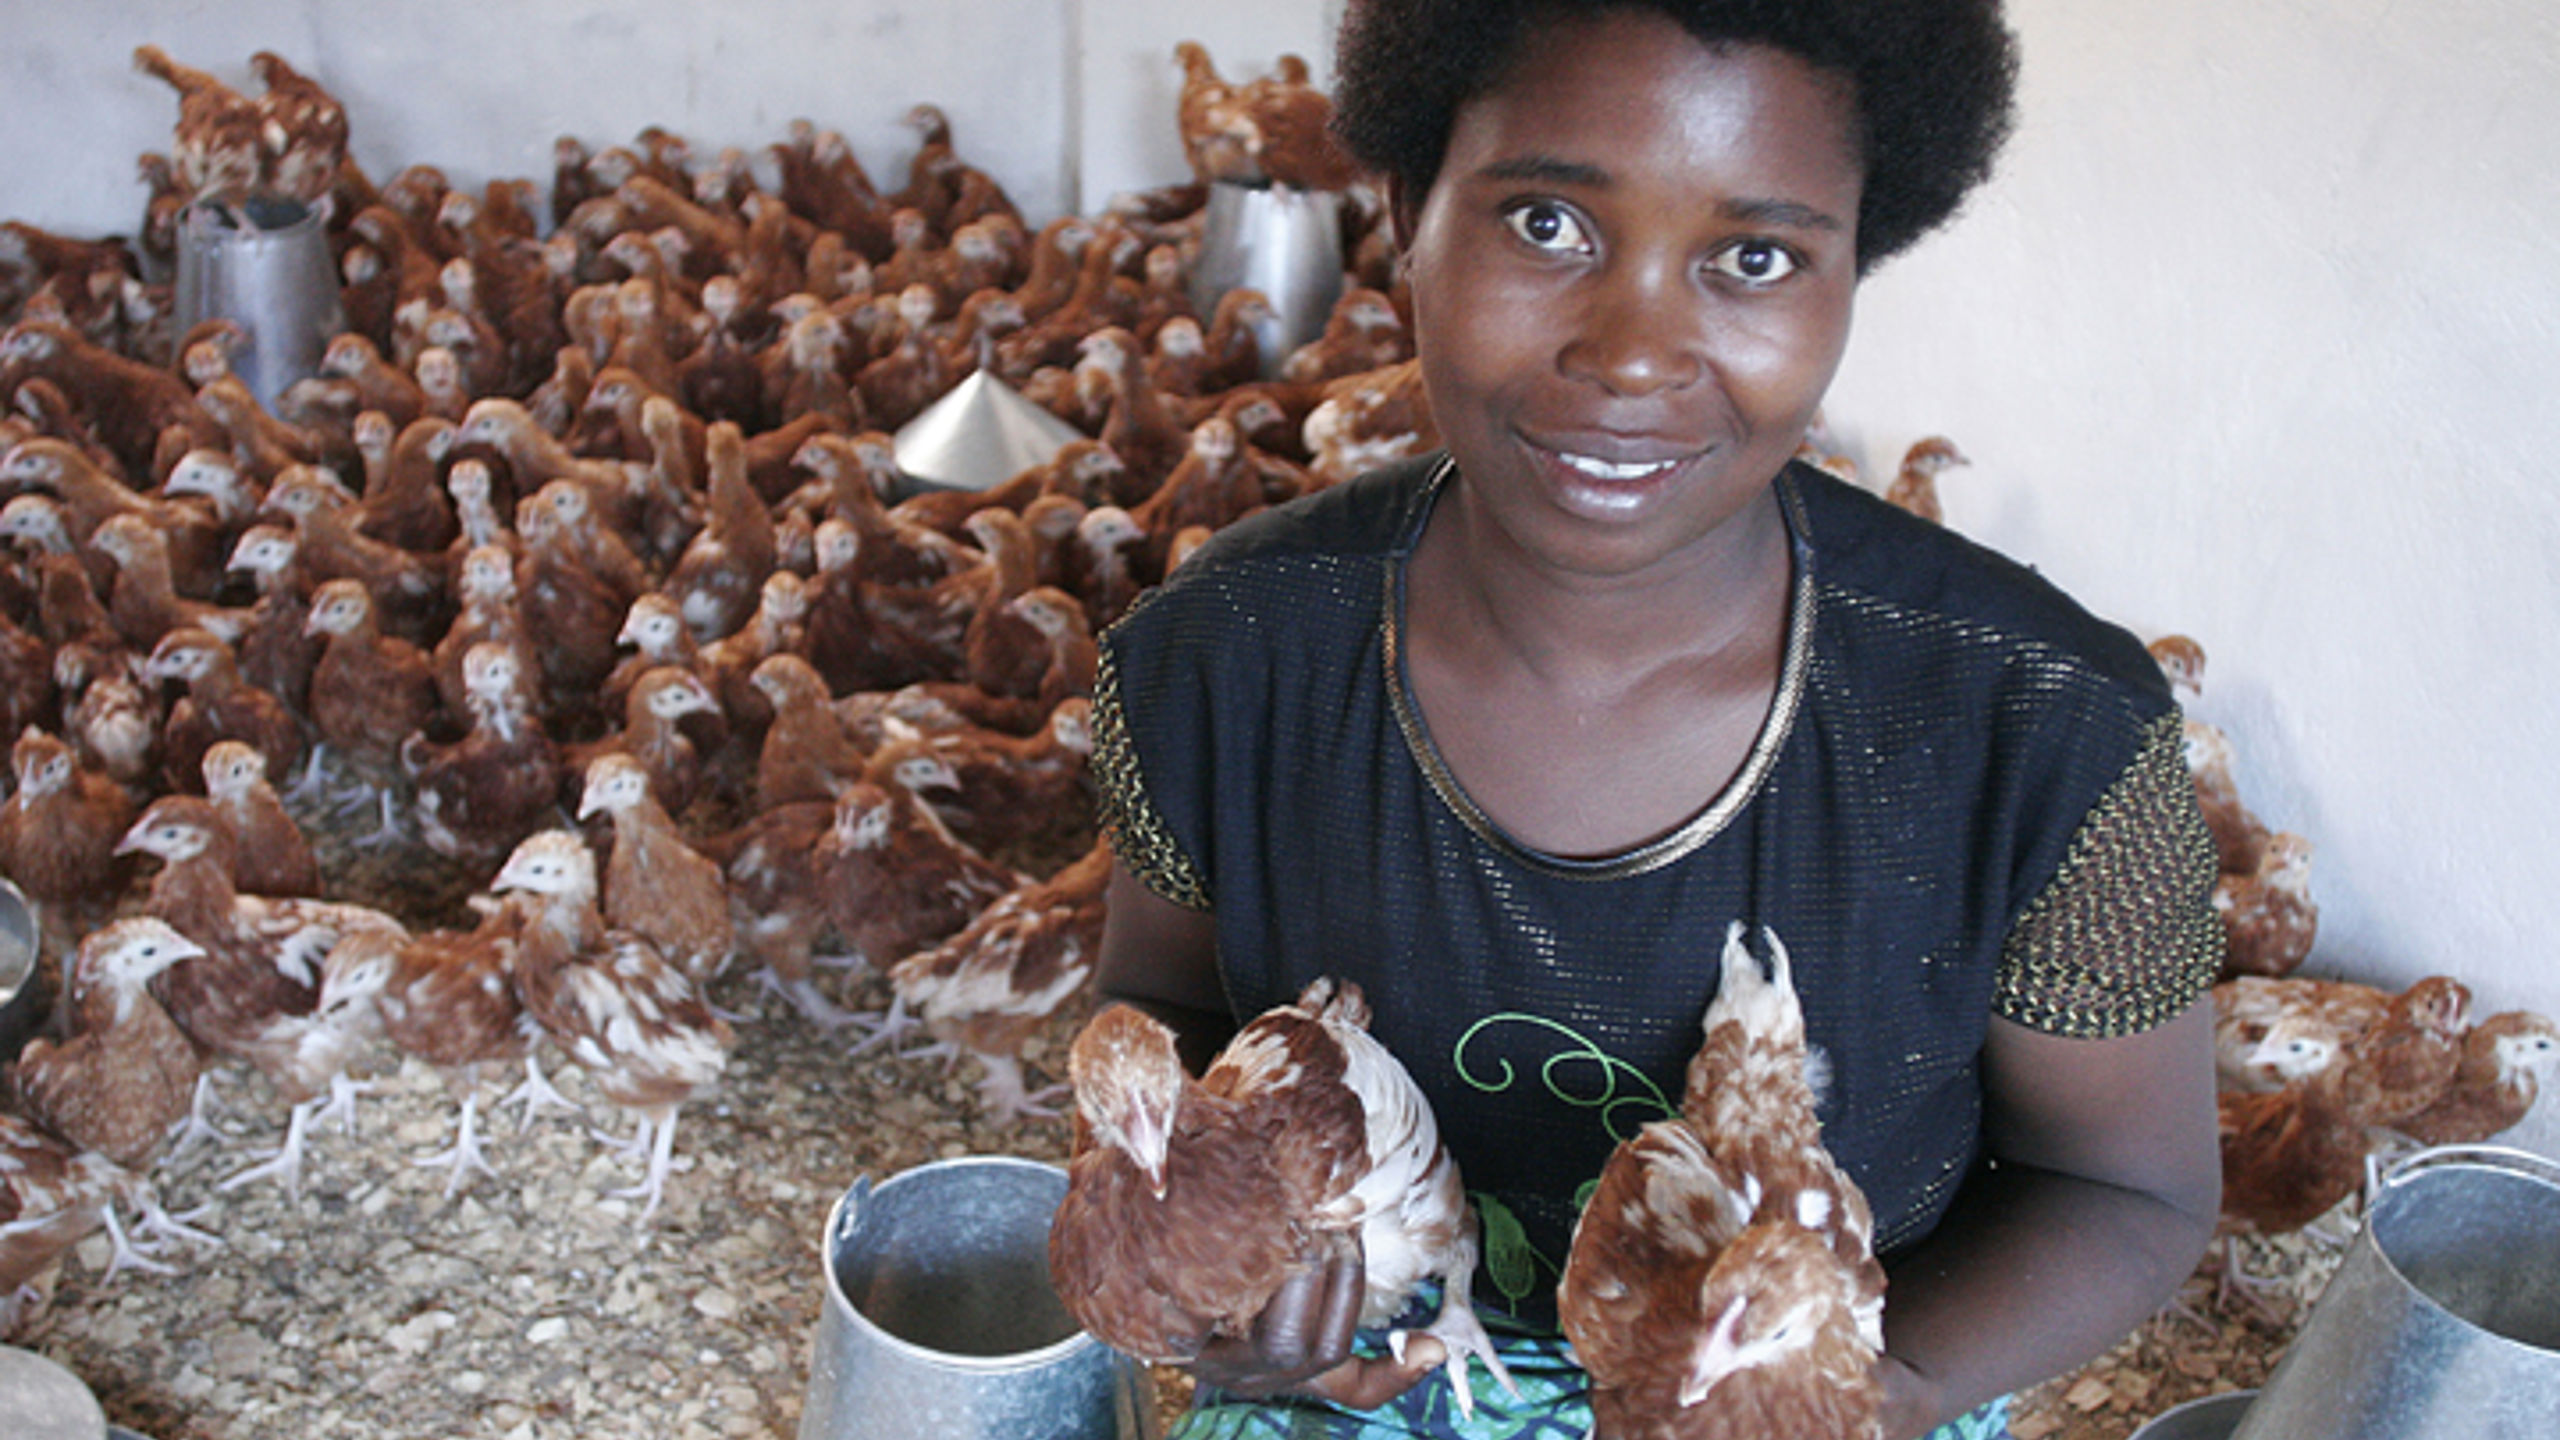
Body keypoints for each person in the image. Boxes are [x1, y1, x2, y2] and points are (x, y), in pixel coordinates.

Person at [1089, 1, 2224, 1436]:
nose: (1634, 352)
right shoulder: (1225, 663)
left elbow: (2128, 1186)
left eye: (1755, 258)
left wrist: (1878, 1390)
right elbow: (1170, 1008)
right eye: (1548, 225)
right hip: (1369, 1378)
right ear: (1407, 217)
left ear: (1852, 269)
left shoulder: (2045, 739)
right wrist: (1225, 1276)